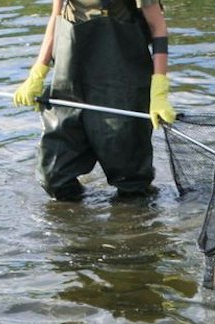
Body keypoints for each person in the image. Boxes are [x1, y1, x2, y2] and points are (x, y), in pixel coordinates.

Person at [11, 0, 176, 201]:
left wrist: (159, 89)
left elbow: (158, 27)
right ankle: (76, 224)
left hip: (121, 81)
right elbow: (56, 19)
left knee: (130, 179)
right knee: (54, 176)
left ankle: (136, 221)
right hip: (70, 78)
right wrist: (37, 73)